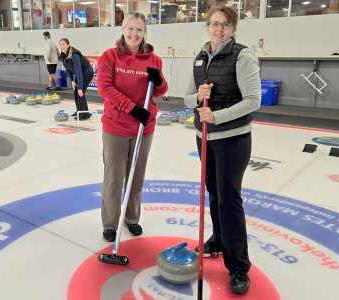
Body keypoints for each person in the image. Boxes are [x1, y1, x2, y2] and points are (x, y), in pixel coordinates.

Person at [183, 4, 261, 296]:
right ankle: (218, 238)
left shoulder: (243, 57)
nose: (219, 30)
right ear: (207, 27)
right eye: (214, 24)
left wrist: (218, 115)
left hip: (232, 139)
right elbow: (187, 97)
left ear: (233, 29)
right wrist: (197, 98)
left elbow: (254, 100)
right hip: (204, 138)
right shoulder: (200, 56)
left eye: (225, 25)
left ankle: (238, 267)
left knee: (229, 200)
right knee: (214, 192)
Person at [97, 12, 168, 242]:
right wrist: (131, 108)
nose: (134, 34)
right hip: (116, 126)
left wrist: (159, 81)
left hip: (143, 128)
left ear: (144, 32)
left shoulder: (153, 59)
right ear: (122, 29)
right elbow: (105, 88)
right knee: (114, 178)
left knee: (136, 177)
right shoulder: (110, 56)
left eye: (139, 30)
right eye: (130, 28)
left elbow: (160, 91)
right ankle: (110, 224)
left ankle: (132, 218)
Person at [58, 38, 94, 120]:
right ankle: (79, 110)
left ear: (68, 45)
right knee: (76, 92)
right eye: (60, 45)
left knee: (80, 92)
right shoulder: (63, 55)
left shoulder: (74, 55)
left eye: (63, 44)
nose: (62, 46)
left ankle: (84, 114)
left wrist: (80, 88)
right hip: (81, 74)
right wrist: (72, 81)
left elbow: (79, 72)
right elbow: (67, 69)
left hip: (87, 73)